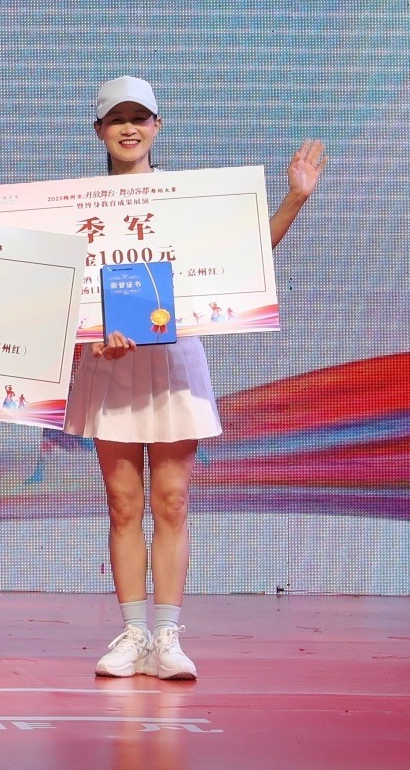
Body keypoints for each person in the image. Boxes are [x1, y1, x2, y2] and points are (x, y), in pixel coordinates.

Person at [77, 77, 323, 681]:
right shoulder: (78, 208)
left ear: (157, 127)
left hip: (173, 363)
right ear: (99, 131)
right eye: (117, 119)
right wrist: (91, 335)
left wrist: (294, 199)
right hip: (109, 365)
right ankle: (133, 633)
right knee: (122, 502)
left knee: (172, 499)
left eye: (140, 118)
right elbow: (62, 292)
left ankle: (166, 636)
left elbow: (242, 260)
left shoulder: (184, 201)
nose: (129, 129)